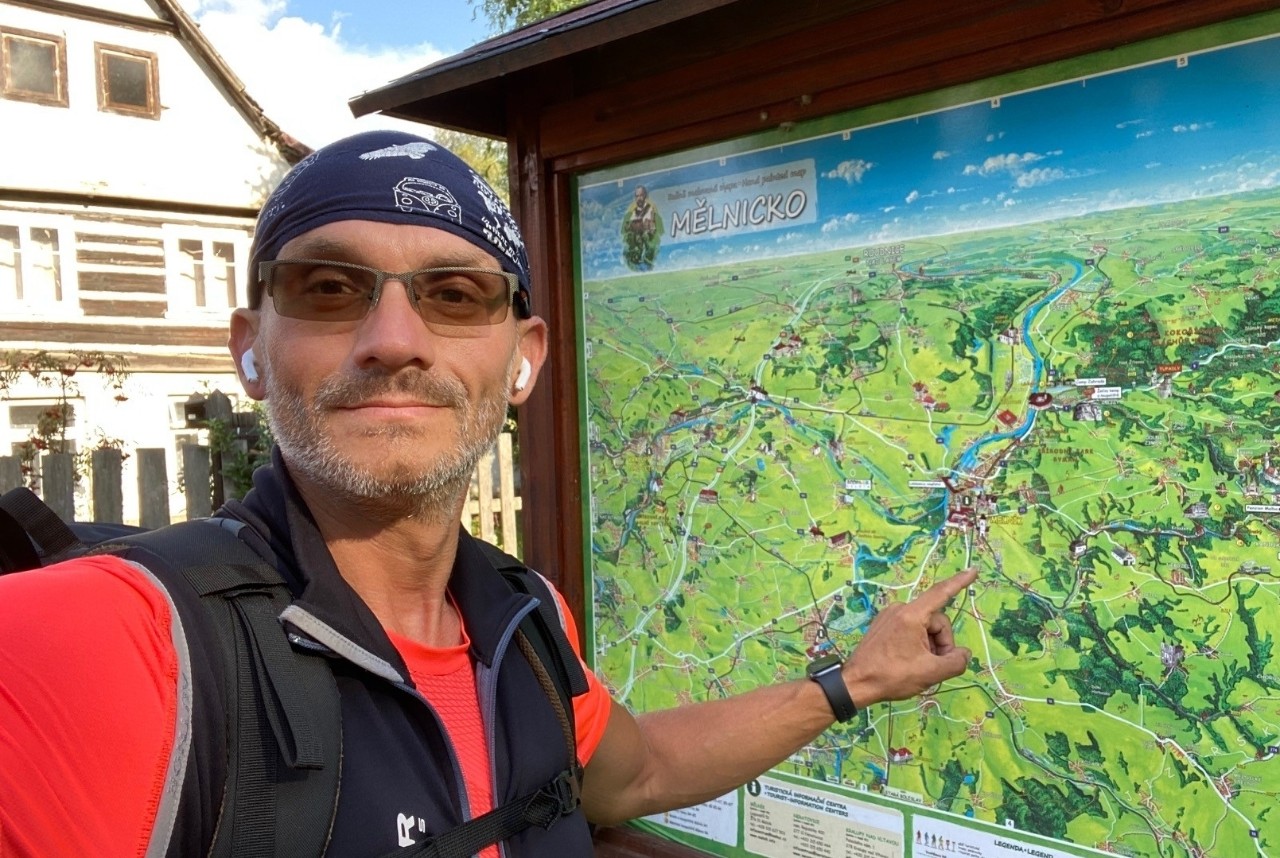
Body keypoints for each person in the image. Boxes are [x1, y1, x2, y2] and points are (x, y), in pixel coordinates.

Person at [0, 129, 975, 857]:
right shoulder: (101, 639)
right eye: (330, 289)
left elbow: (639, 773)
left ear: (522, 360)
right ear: (250, 346)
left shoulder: (524, 620)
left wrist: (858, 683)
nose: (394, 338)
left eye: (455, 295)